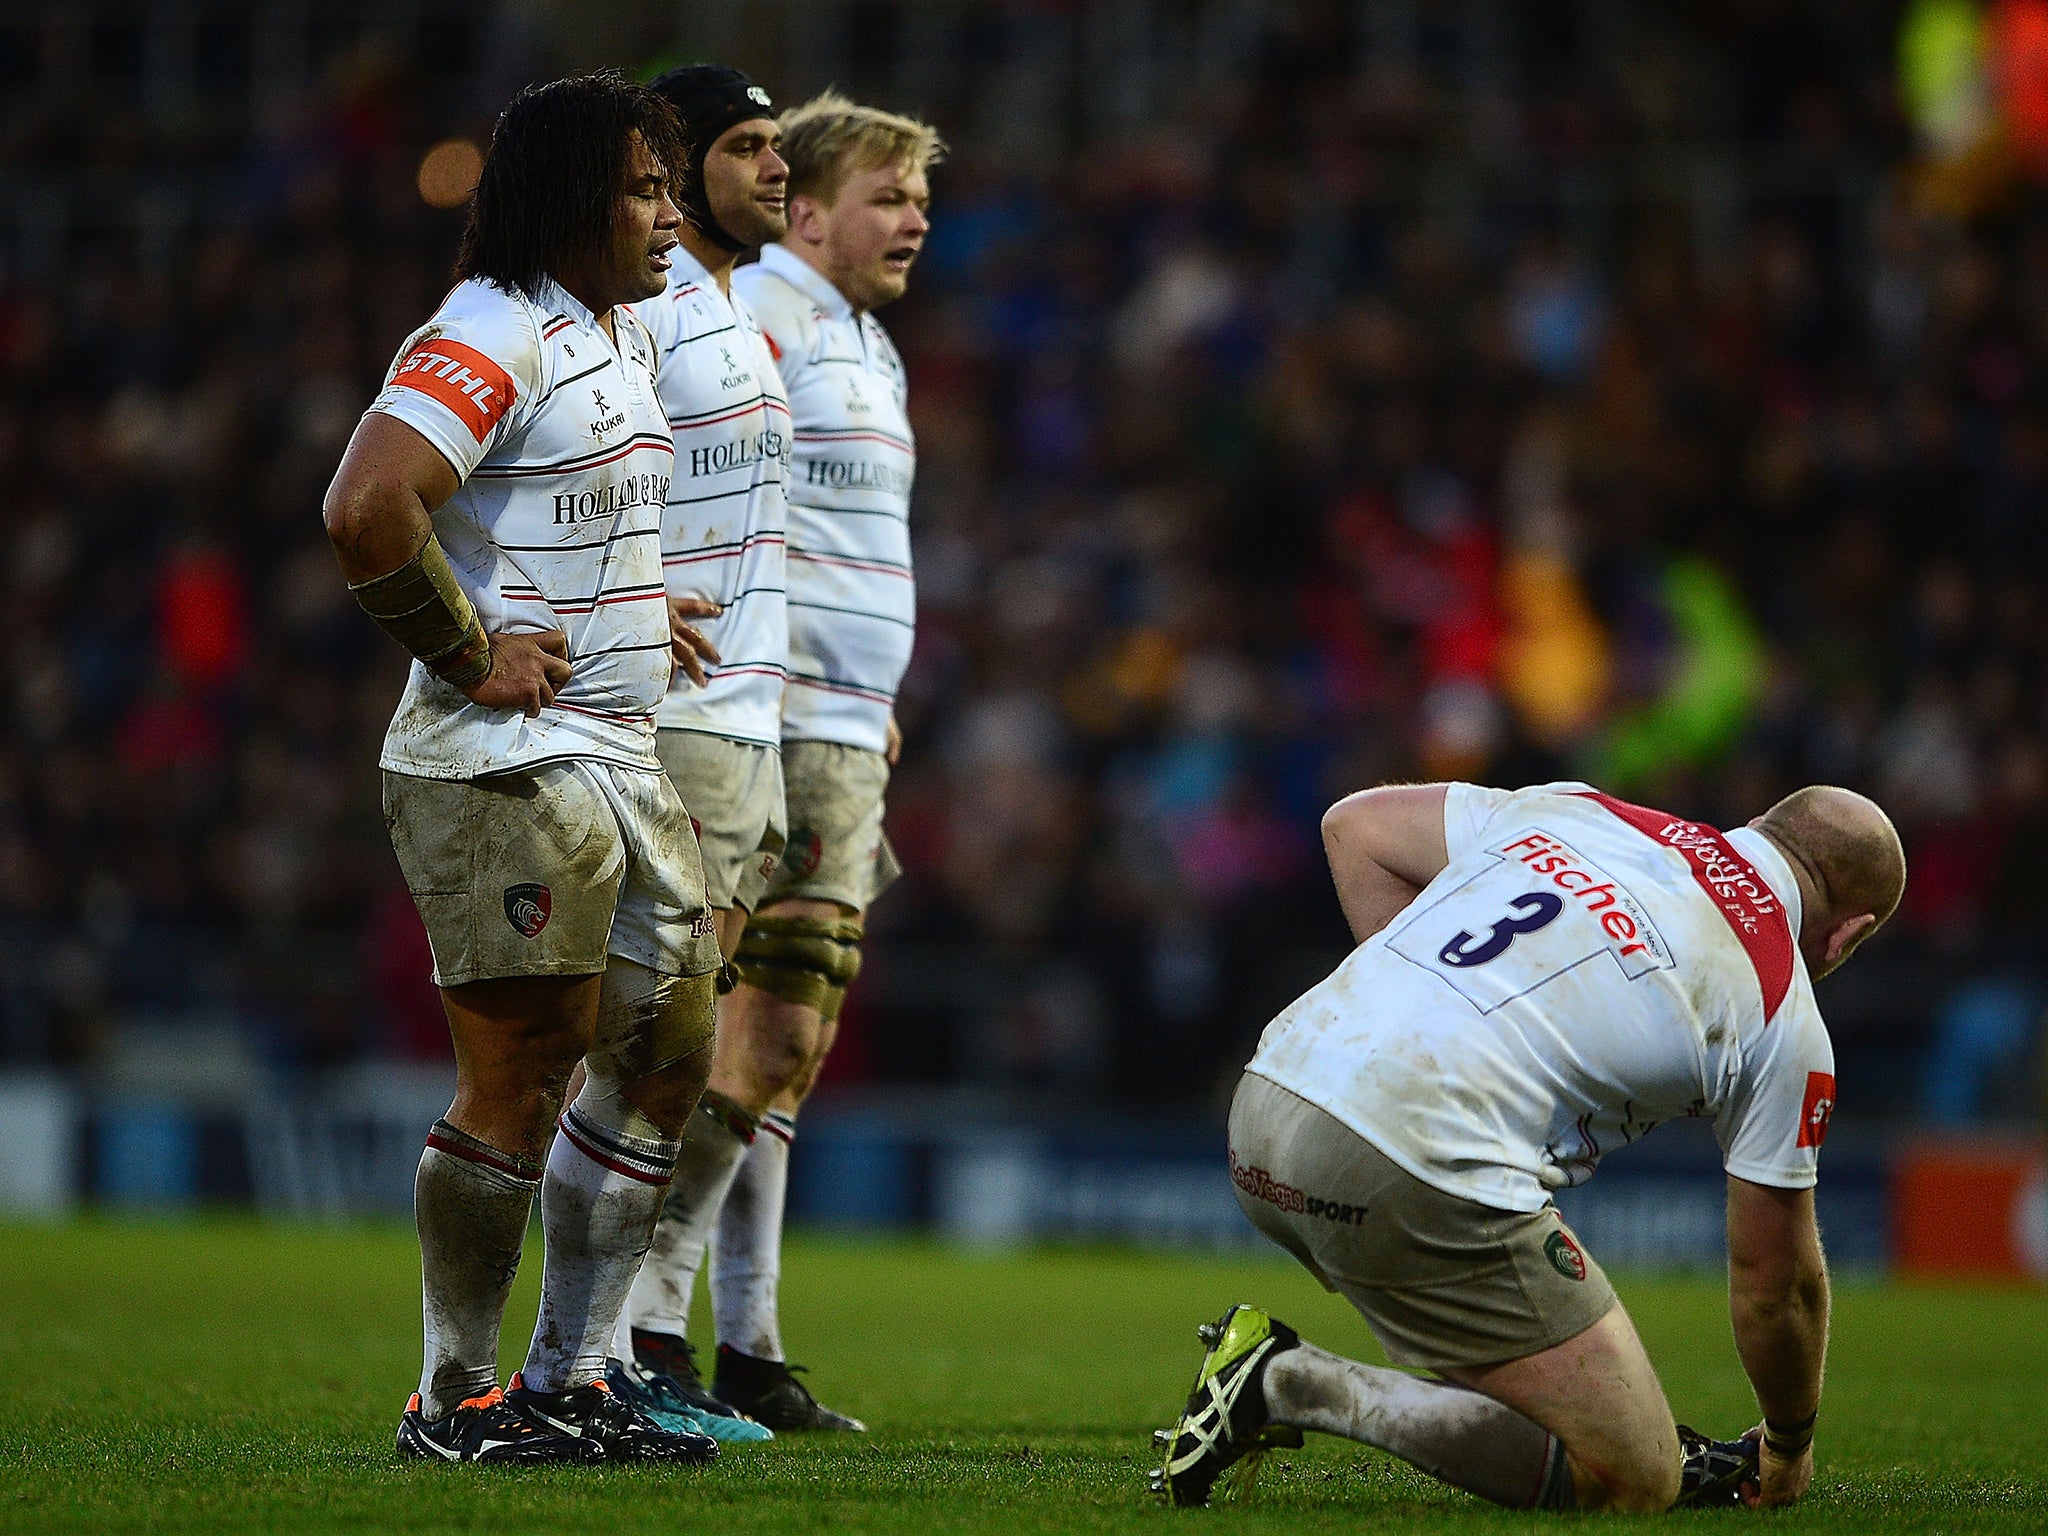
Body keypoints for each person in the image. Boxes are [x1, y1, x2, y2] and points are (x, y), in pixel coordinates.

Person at [322, 72, 725, 1465]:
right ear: (567, 198)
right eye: (642, 185)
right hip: (501, 759)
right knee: (524, 1068)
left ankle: (577, 1373)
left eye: (672, 183)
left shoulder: (610, 333)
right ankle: (452, 1399)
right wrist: (468, 648)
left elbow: (557, 515)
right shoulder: (490, 327)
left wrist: (637, 608)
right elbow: (371, 506)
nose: (670, 212)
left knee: (672, 1053)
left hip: (611, 746)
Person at [1153, 779, 1905, 1512]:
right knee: (1638, 1476)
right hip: (1404, 1165)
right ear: (1850, 933)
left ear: (1759, 826)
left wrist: (1419, 1018)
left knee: (1543, 1388)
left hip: (1263, 1106)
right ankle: (1285, 1381)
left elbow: (1356, 827)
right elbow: (1776, 1285)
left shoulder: (1582, 809)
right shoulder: (1784, 1012)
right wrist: (1789, 1443)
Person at [622, 88, 937, 1434]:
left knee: (785, 1050)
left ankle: (744, 1342)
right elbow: (713, 491)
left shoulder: (865, 341)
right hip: (774, 720)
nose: (914, 216)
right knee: (763, 1027)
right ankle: (644, 1328)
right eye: (886, 194)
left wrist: (876, 700)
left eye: (921, 197)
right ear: (805, 213)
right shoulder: (760, 315)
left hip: (841, 725)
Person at [597, 63, 791, 1447]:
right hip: (682, 718)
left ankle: (606, 1352)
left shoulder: (727, 305)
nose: (777, 168)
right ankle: (601, 1356)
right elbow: (580, 466)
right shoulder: (652, 306)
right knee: (653, 1048)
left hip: (748, 717)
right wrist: (623, 601)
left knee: (680, 1046)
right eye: (747, 147)